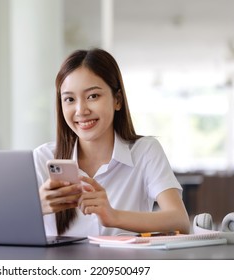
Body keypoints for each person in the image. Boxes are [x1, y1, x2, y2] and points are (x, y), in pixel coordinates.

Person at [33, 48, 190, 237]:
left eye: (93, 96)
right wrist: (35, 207)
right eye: (69, 99)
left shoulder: (145, 151)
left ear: (117, 100)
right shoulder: (43, 157)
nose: (81, 110)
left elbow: (180, 221)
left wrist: (113, 216)